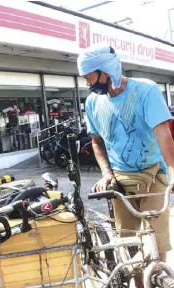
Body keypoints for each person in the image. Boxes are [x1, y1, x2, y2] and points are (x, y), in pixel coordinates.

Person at [78, 44, 174, 288]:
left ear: (107, 70)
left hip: (155, 175)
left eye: (90, 77)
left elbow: (164, 135)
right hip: (120, 180)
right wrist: (106, 173)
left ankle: (156, 280)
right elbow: (97, 143)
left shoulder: (146, 91)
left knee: (156, 242)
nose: (89, 84)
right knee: (127, 242)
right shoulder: (92, 102)